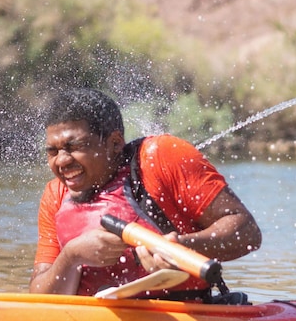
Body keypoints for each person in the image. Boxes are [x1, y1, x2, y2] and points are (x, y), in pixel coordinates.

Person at [30, 87, 262, 301]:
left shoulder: (161, 157)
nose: (61, 161)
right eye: (53, 151)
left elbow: (247, 233)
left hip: (183, 316)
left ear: (115, 143)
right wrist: (71, 256)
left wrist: (180, 247)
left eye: (75, 147)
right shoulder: (55, 195)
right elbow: (39, 297)